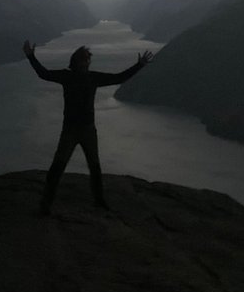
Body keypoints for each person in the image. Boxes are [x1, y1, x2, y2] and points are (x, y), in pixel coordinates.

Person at [23, 39, 153, 214]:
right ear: (76, 62)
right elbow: (43, 73)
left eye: (87, 60)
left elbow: (118, 78)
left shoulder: (82, 77)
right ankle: (46, 205)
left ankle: (97, 201)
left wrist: (139, 65)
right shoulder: (75, 77)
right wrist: (31, 56)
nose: (86, 63)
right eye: (84, 60)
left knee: (93, 167)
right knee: (60, 167)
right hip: (75, 130)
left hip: (84, 130)